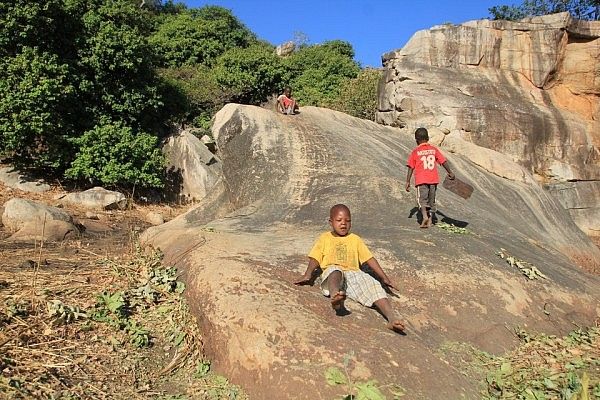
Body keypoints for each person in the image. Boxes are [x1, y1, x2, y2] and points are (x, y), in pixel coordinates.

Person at [294, 204, 405, 333]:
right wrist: (308, 274)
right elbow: (315, 257)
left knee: (373, 286)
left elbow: (369, 259)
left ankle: (391, 318)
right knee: (334, 271)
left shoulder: (355, 239)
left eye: (347, 221)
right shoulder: (325, 238)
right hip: (334, 272)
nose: (343, 224)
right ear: (331, 222)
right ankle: (336, 297)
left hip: (354, 273)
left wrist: (384, 278)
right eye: (339, 220)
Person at [405, 127, 455, 228]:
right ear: (427, 138)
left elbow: (411, 167)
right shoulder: (433, 150)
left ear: (416, 140)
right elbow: (443, 161)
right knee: (431, 200)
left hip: (421, 180)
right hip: (433, 180)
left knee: (422, 200)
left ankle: (424, 217)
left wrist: (407, 181)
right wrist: (450, 172)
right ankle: (431, 219)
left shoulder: (416, 152)